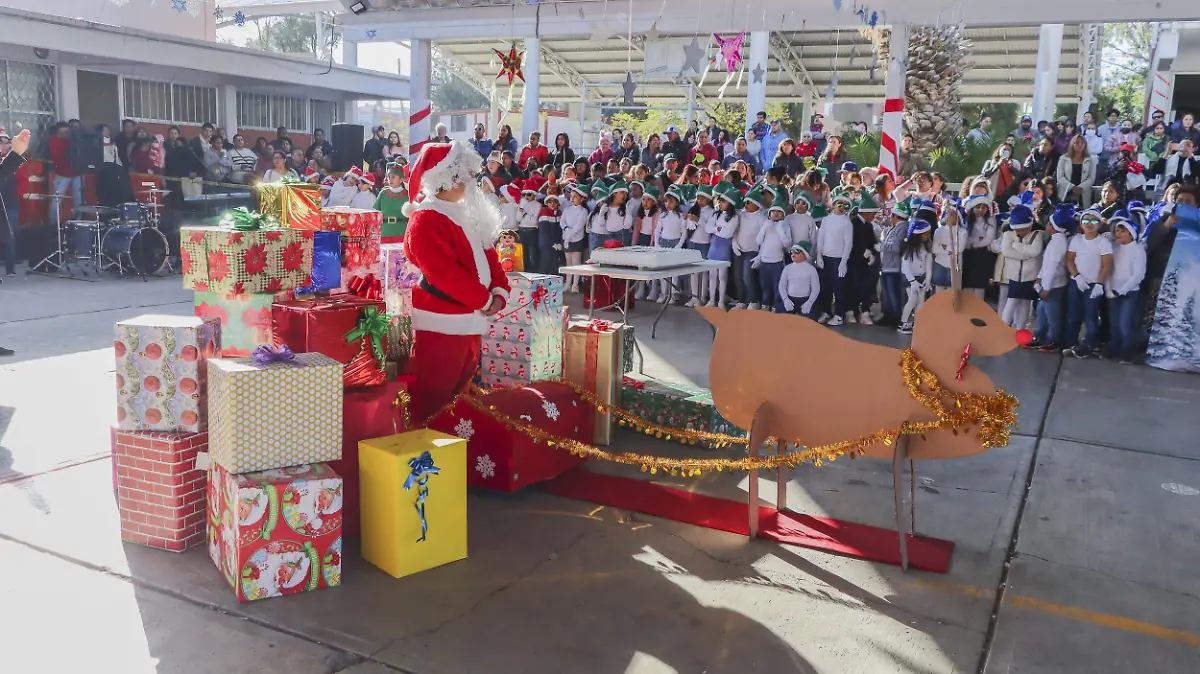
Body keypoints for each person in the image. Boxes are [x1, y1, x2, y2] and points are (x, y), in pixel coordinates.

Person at [402, 140, 510, 420]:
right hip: (442, 320)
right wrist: (484, 299)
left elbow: (489, 256)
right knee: (436, 393)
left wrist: (499, 291)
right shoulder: (426, 219)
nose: (472, 184)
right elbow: (443, 273)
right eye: (466, 178)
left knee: (460, 391)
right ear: (448, 181)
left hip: (470, 319)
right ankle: (426, 448)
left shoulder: (466, 213)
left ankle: (454, 444)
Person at [1063, 208, 1113, 358]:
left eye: (1093, 221)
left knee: (1091, 317)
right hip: (1076, 284)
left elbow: (1107, 265)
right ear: (1081, 224)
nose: (1089, 224)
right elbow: (1070, 260)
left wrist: (1099, 284)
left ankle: (1090, 345)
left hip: (1093, 285)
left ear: (1098, 224)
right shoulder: (1076, 240)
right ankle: (1071, 343)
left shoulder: (1103, 242)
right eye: (1085, 221)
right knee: (1073, 316)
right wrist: (1077, 276)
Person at [1028, 204, 1076, 352]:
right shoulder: (1055, 240)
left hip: (1054, 285)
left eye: (1049, 223)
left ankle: (1054, 339)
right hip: (1047, 283)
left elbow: (1052, 267)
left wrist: (1046, 287)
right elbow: (1047, 263)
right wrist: (1039, 278)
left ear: (1055, 227)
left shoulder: (1058, 243)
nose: (1046, 225)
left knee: (1053, 316)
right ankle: (1040, 337)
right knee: (1042, 313)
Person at [1103, 217, 1146, 364]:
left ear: (1131, 233)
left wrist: (1122, 290)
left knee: (1125, 324)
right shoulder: (1114, 248)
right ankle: (1115, 348)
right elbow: (1107, 268)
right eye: (1117, 231)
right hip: (1113, 291)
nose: (1119, 233)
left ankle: (1128, 352)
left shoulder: (1138, 250)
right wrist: (1108, 288)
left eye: (1123, 231)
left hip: (1129, 292)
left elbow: (1138, 274)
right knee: (1114, 323)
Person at [998, 205, 1044, 330]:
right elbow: (1006, 251)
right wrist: (1026, 255)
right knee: (1011, 301)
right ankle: (1004, 328)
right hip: (1014, 275)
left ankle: (1021, 328)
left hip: (1031, 276)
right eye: (1017, 230)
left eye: (1022, 229)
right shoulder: (1008, 234)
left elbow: (1035, 251)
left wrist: (1016, 246)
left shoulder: (1037, 234)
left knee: (1026, 303)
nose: (1019, 233)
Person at [816, 194, 854, 325]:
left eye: (846, 205)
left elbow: (848, 243)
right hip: (826, 257)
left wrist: (843, 262)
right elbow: (820, 238)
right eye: (839, 204)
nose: (841, 207)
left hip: (838, 259)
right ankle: (826, 312)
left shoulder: (847, 222)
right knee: (825, 287)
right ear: (833, 205)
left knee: (838, 288)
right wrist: (819, 255)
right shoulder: (826, 220)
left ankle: (839, 315)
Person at [705, 182, 741, 308]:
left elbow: (728, 233)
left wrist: (717, 229)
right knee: (712, 275)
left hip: (724, 247)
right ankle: (711, 300)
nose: (720, 204)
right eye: (719, 201)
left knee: (722, 276)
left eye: (723, 201)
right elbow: (707, 228)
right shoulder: (716, 214)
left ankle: (720, 301)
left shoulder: (734, 217)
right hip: (714, 246)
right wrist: (717, 229)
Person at [0, 128, 28, 285]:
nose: (4, 145)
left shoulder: (11, 161)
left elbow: (23, 181)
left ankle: (10, 268)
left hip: (10, 204)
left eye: (7, 142)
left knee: (9, 236)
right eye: (1, 142)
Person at [755, 202, 792, 312]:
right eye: (773, 211)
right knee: (765, 285)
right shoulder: (766, 224)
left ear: (783, 214)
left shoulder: (784, 226)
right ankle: (766, 304)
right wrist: (765, 227)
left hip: (777, 262)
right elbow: (758, 241)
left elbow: (787, 243)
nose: (776, 214)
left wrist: (780, 230)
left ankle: (777, 306)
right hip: (764, 261)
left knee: (778, 286)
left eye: (779, 212)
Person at [898, 219, 933, 334]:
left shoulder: (926, 248)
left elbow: (928, 265)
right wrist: (912, 281)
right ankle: (903, 322)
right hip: (910, 278)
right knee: (912, 299)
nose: (928, 235)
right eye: (926, 233)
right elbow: (905, 267)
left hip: (921, 277)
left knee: (921, 301)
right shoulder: (909, 249)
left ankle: (917, 323)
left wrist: (928, 279)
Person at [684, 185, 715, 306]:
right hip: (693, 242)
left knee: (703, 271)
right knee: (693, 271)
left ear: (708, 199)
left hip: (704, 243)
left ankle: (702, 297)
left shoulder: (712, 212)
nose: (699, 200)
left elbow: (708, 228)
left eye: (703, 197)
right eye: (698, 197)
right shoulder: (693, 209)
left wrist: (697, 219)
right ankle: (694, 296)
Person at [778, 242, 820, 318]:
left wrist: (809, 302)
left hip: (805, 300)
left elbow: (816, 289)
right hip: (790, 299)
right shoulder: (787, 268)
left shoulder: (811, 269)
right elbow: (782, 285)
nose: (793, 254)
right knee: (780, 317)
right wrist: (785, 299)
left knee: (811, 320)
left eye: (797, 252)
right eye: (792, 252)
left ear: (805, 255)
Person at [560, 183, 589, 291]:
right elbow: (562, 221)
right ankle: (567, 283)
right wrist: (566, 230)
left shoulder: (583, 211)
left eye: (575, 197)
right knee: (568, 262)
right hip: (566, 236)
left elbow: (579, 226)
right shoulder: (567, 209)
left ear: (582, 199)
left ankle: (575, 285)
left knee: (576, 262)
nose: (572, 199)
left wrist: (569, 236)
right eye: (571, 196)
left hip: (577, 239)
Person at [48, 122, 82, 214]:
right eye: (61, 132)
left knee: (79, 201)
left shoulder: (75, 139)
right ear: (57, 133)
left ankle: (79, 221)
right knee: (57, 200)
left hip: (76, 173)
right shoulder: (54, 140)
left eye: (66, 132)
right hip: (62, 174)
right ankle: (54, 224)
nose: (64, 134)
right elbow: (57, 153)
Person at [1056, 134, 1096, 207]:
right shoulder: (1063, 158)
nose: (1080, 145)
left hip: (1084, 192)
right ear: (1072, 144)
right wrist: (1072, 187)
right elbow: (1060, 177)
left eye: (1082, 143)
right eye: (1077, 142)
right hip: (1066, 191)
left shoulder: (1091, 159)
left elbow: (1091, 178)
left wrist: (1080, 187)